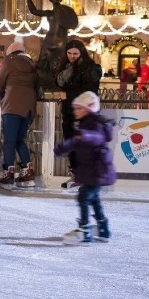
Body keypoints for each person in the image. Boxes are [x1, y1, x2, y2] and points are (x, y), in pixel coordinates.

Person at [54, 91, 116, 244]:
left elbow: (97, 137)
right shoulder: (84, 124)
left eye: (78, 108)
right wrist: (62, 148)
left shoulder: (94, 124)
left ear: (88, 109)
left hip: (98, 171)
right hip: (94, 171)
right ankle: (103, 228)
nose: (75, 111)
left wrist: (86, 136)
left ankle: (84, 230)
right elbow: (76, 141)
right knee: (93, 198)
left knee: (84, 195)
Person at [0, 41, 41, 188]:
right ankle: (27, 173)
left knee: (9, 140)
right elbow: (38, 86)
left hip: (12, 106)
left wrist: (3, 96)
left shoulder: (8, 62)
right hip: (28, 107)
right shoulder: (32, 65)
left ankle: (8, 173)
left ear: (10, 52)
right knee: (20, 139)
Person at [56, 39, 102, 183]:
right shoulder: (66, 67)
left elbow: (90, 92)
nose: (72, 56)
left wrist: (67, 95)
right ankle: (75, 173)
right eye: (69, 53)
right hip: (69, 111)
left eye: (75, 53)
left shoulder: (90, 68)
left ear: (81, 53)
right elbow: (58, 82)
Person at [26, 0, 78, 82]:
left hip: (60, 42)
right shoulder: (49, 13)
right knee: (42, 64)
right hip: (49, 41)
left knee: (57, 66)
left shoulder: (66, 12)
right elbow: (34, 11)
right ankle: (45, 83)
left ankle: (55, 83)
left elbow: (72, 22)